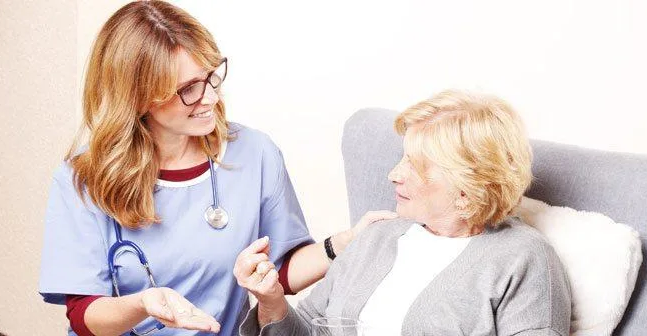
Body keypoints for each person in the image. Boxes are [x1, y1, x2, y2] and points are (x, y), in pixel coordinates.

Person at [38, 1, 394, 335]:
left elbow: (279, 273)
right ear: (138, 96)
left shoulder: (254, 153)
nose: (210, 97)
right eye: (188, 89)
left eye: (211, 76)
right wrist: (144, 303)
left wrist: (346, 243)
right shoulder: (83, 177)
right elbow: (83, 315)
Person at [237, 90, 572, 335]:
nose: (394, 174)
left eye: (415, 164)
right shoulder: (379, 235)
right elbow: (311, 329)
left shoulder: (522, 257)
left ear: (467, 185)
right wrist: (271, 301)